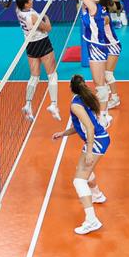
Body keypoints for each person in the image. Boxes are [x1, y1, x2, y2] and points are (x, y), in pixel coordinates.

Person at [54, 0, 121, 118]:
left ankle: (103, 116)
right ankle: (104, 113)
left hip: (97, 49)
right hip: (97, 47)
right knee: (100, 84)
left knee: (100, 85)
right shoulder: (94, 7)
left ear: (97, 0)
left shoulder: (93, 7)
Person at [51, 75, 112, 235]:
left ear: (71, 88)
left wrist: (90, 151)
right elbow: (80, 126)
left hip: (96, 141)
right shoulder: (82, 99)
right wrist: (63, 133)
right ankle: (97, 195)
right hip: (100, 138)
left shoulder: (76, 105)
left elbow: (90, 127)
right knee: (84, 171)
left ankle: (92, 221)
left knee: (79, 180)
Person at [10, 0, 61, 121]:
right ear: (26, 4)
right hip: (42, 43)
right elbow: (48, 28)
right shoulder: (32, 16)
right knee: (52, 74)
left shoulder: (19, 9)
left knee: (34, 76)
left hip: (30, 45)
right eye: (30, 0)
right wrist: (46, 18)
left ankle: (28, 104)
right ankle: (53, 104)